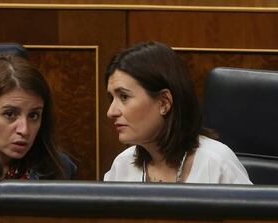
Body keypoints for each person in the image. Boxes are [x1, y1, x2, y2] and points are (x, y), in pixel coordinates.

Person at [103, 41, 252, 184]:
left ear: (164, 102)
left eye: (124, 97)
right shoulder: (122, 165)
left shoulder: (217, 163)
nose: (111, 112)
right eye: (112, 98)